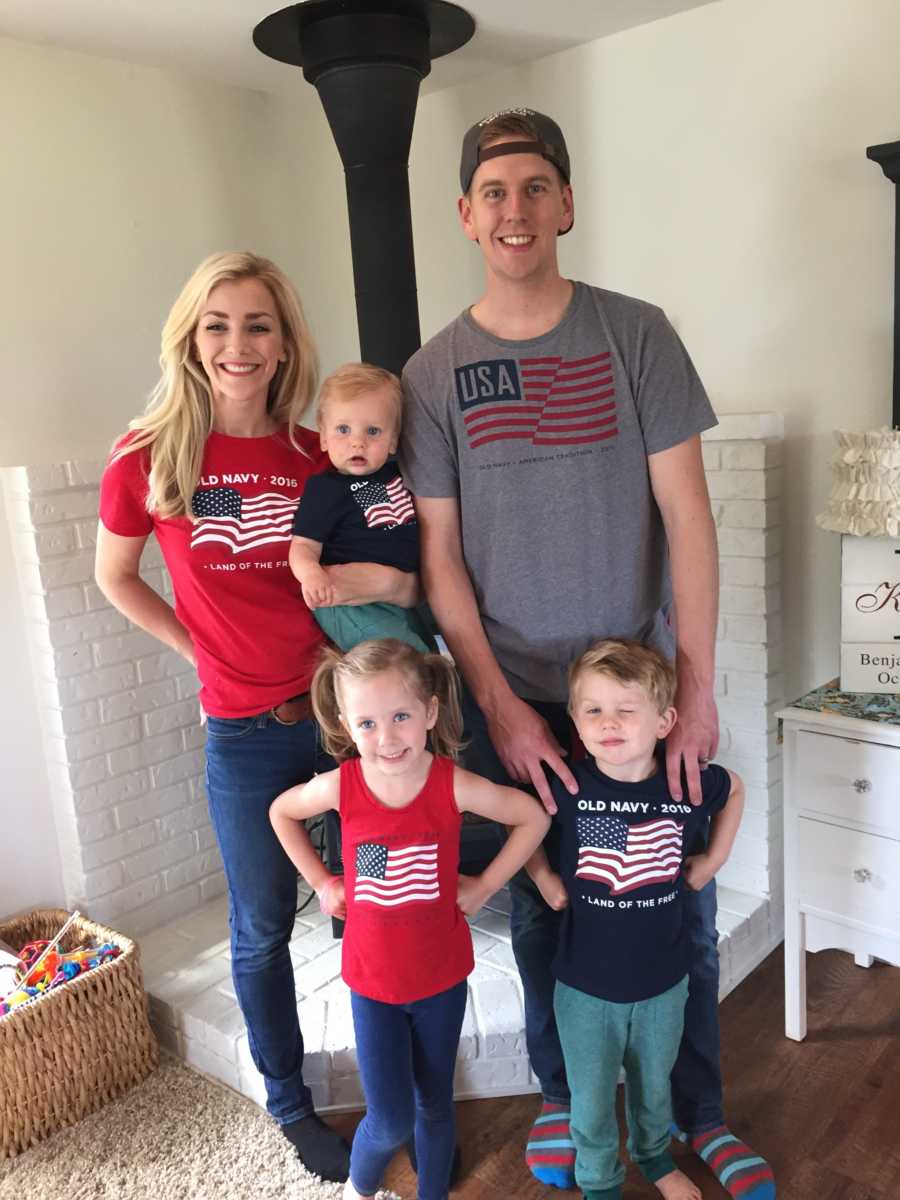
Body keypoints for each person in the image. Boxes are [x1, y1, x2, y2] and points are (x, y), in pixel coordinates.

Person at [399, 109, 774, 1198]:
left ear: (567, 205)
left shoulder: (636, 333)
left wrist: (693, 691)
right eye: (495, 192)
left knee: (678, 909)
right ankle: (565, 1099)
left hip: (637, 696)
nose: (516, 210)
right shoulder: (433, 373)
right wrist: (498, 706)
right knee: (545, 906)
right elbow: (440, 556)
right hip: (516, 694)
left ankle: (697, 1115)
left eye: (536, 187)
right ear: (466, 215)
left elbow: (689, 517)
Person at [95, 251, 419, 1183]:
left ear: (284, 343)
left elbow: (393, 569)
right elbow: (117, 578)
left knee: (369, 911)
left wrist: (381, 599)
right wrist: (200, 650)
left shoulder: (319, 451)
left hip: (340, 724)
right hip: (241, 734)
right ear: (193, 340)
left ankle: (395, 1091)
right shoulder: (147, 455)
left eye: (259, 325)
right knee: (263, 925)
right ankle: (288, 1103)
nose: (239, 345)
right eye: (219, 325)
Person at [269, 638, 550, 1200]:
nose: (387, 736)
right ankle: (359, 1191)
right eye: (368, 722)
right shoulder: (341, 787)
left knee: (435, 1106)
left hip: (441, 979)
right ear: (346, 723)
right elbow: (281, 811)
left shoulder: (452, 783)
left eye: (400, 716)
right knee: (391, 1118)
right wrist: (323, 882)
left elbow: (532, 816)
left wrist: (488, 884)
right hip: (373, 984)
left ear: (430, 712)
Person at [527, 640, 746, 1200]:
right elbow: (518, 818)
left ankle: (653, 1156)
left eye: (626, 709)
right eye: (594, 710)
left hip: (663, 985)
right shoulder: (567, 785)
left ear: (665, 720)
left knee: (654, 1089)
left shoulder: (682, 784)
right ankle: (600, 1183)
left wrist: (713, 859)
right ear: (574, 720)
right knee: (593, 1098)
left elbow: (734, 789)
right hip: (584, 990)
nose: (609, 723)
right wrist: (545, 879)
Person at [290, 362, 432, 652]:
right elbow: (302, 545)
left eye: (373, 431)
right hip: (351, 603)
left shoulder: (399, 474)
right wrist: (310, 574)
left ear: (393, 440)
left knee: (439, 647)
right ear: (324, 437)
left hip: (403, 594)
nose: (358, 442)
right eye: (343, 429)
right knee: (405, 659)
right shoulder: (325, 489)